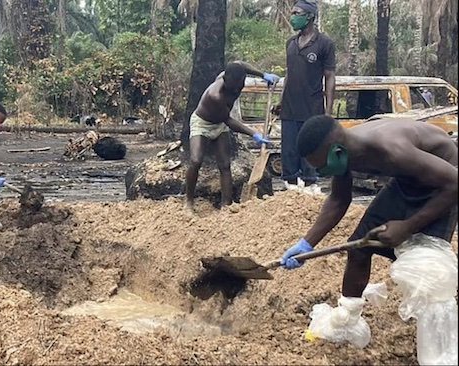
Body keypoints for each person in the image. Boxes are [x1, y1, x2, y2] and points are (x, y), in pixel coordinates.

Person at [280, 114, 457, 299]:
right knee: (358, 248)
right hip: (407, 179)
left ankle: (436, 319)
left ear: (337, 153)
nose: (323, 174)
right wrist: (306, 244)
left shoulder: (391, 150)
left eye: (324, 168)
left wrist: (408, 226)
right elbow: (339, 199)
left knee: (426, 268)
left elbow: (454, 184)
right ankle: (348, 317)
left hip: (445, 181)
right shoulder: (342, 153)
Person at [184, 61, 280, 212]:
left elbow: (241, 64)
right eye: (233, 86)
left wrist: (263, 75)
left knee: (225, 165)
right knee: (196, 161)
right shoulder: (215, 95)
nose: (236, 89)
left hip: (219, 124)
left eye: (240, 84)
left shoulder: (236, 77)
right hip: (202, 123)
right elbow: (228, 121)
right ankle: (189, 202)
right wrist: (254, 134)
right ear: (225, 79)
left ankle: (226, 206)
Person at [277, 0, 336, 187]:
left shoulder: (324, 43)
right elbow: (288, 74)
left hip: (312, 108)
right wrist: (280, 100)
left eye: (296, 13)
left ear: (309, 17)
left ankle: (310, 188)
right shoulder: (291, 43)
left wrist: (328, 111)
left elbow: (330, 77)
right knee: (288, 151)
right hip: (289, 108)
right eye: (292, 13)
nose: (292, 17)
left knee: (310, 151)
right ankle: (290, 188)